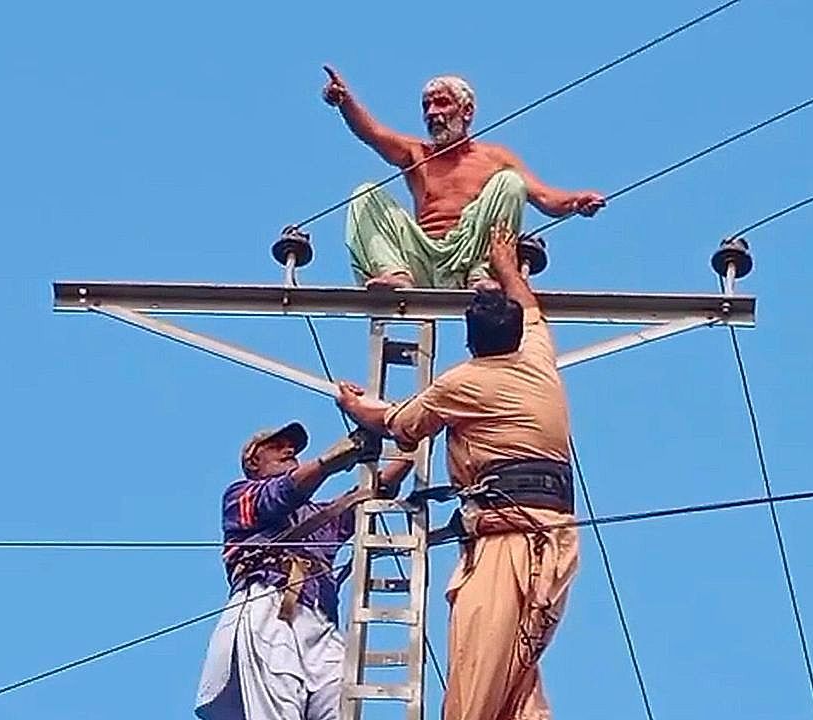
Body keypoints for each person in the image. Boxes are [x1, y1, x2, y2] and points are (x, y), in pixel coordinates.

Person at [335, 225, 580, 720]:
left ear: (470, 343)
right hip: (554, 541)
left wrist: (358, 406)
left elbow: (400, 424)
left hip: (508, 542)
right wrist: (507, 267)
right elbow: (529, 308)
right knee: (515, 680)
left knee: (476, 683)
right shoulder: (537, 358)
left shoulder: (465, 382)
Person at [195, 421, 414, 720]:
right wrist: (331, 460)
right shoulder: (241, 496)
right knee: (279, 703)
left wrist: (414, 437)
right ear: (253, 461)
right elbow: (280, 494)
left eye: (293, 448)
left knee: (341, 700)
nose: (288, 450)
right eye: (276, 446)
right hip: (270, 608)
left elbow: (372, 495)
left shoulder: (315, 514)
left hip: (318, 620)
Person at [322, 66, 606, 289]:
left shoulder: (494, 157)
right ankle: (395, 273)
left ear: (466, 111)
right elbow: (372, 133)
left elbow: (544, 197)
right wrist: (345, 101)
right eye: (427, 106)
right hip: (422, 257)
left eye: (442, 104)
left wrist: (576, 202)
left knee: (511, 182)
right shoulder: (415, 153)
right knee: (365, 193)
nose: (433, 113)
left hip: (471, 258)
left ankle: (484, 272)